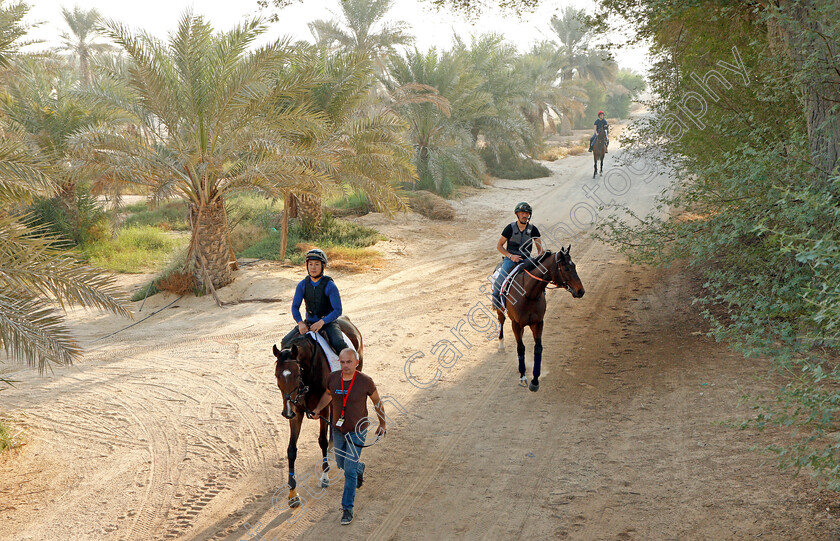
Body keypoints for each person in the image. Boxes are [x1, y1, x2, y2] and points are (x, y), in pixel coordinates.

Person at [311, 348, 386, 525]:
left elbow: (377, 402)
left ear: (356, 363)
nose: (345, 366)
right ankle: (359, 468)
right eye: (342, 362)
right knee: (340, 463)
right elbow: (327, 396)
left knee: (349, 472)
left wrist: (382, 424)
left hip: (357, 431)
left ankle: (347, 508)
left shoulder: (365, 381)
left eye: (349, 362)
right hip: (338, 431)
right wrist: (316, 409)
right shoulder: (333, 378)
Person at [282, 248, 350, 354]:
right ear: (307, 266)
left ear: (323, 266)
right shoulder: (302, 285)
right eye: (310, 264)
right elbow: (295, 307)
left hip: (328, 323)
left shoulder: (330, 286)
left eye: (317, 264)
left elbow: (337, 310)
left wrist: (321, 322)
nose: (313, 267)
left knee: (339, 344)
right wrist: (300, 323)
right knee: (285, 342)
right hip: (308, 323)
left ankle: (350, 368)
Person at [492, 202, 543, 310]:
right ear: (517, 214)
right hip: (511, 259)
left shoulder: (533, 229)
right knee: (499, 281)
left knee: (540, 279)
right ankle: (496, 302)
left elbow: (540, 249)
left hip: (527, 259)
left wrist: (539, 260)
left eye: (527, 213)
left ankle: (540, 301)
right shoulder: (510, 228)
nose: (525, 215)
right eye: (522, 213)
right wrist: (510, 256)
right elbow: (499, 246)